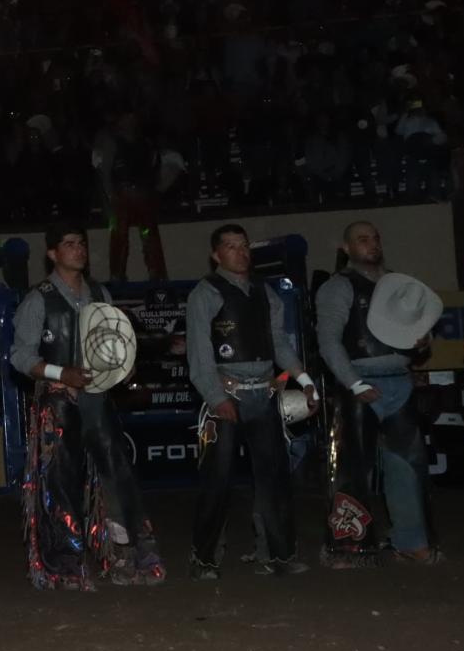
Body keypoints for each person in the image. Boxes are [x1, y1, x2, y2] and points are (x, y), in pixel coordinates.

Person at [9, 224, 164, 587]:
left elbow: (115, 342)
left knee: (116, 473)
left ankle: (125, 555)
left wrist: (125, 365)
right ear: (52, 253)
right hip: (57, 402)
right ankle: (64, 565)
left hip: (97, 397)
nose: (78, 250)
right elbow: (19, 356)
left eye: (81, 243)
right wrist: (61, 372)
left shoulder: (100, 293)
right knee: (59, 481)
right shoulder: (38, 299)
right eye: (69, 243)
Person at [186, 223, 318, 579]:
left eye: (244, 245)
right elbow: (198, 356)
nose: (240, 252)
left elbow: (280, 342)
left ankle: (277, 555)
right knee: (217, 479)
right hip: (226, 396)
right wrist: (216, 398)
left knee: (274, 478)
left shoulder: (264, 291)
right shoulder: (205, 293)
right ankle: (204, 559)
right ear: (216, 255)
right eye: (231, 246)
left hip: (264, 394)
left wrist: (305, 381)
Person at [314, 221, 438, 565]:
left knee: (407, 465)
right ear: (346, 247)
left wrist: (422, 342)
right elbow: (328, 340)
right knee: (353, 468)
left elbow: (417, 334)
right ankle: (348, 543)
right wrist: (354, 383)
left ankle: (410, 541)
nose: (372, 244)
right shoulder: (337, 287)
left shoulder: (397, 284)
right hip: (360, 379)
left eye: (375, 238)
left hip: (398, 377)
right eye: (362, 239)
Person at [93, 111, 168, 283]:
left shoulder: (145, 143)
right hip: (122, 195)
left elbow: (153, 169)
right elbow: (105, 172)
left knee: (148, 233)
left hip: (143, 194)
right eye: (126, 118)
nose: (130, 122)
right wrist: (110, 196)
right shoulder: (112, 142)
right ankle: (117, 274)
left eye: (133, 118)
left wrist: (153, 192)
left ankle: (156, 273)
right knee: (119, 234)